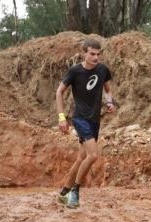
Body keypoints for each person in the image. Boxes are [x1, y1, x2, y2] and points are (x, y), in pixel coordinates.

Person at [54, 38, 116, 209]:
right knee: (93, 156)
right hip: (80, 118)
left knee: (82, 157)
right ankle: (75, 192)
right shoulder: (75, 71)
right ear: (84, 53)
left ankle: (64, 193)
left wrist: (109, 102)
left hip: (95, 120)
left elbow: (108, 89)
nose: (96, 57)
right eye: (92, 54)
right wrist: (61, 117)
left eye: (98, 54)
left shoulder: (103, 70)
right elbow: (59, 92)